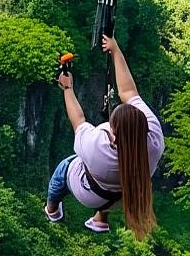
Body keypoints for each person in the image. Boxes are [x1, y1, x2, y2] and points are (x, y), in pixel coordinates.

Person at [45, 34, 163, 239]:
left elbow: (79, 121)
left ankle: (52, 209)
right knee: (118, 177)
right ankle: (101, 219)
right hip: (126, 197)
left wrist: (67, 88)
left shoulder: (97, 145)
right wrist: (116, 50)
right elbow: (128, 92)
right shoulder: (154, 137)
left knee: (64, 167)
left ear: (114, 136)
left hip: (90, 195)